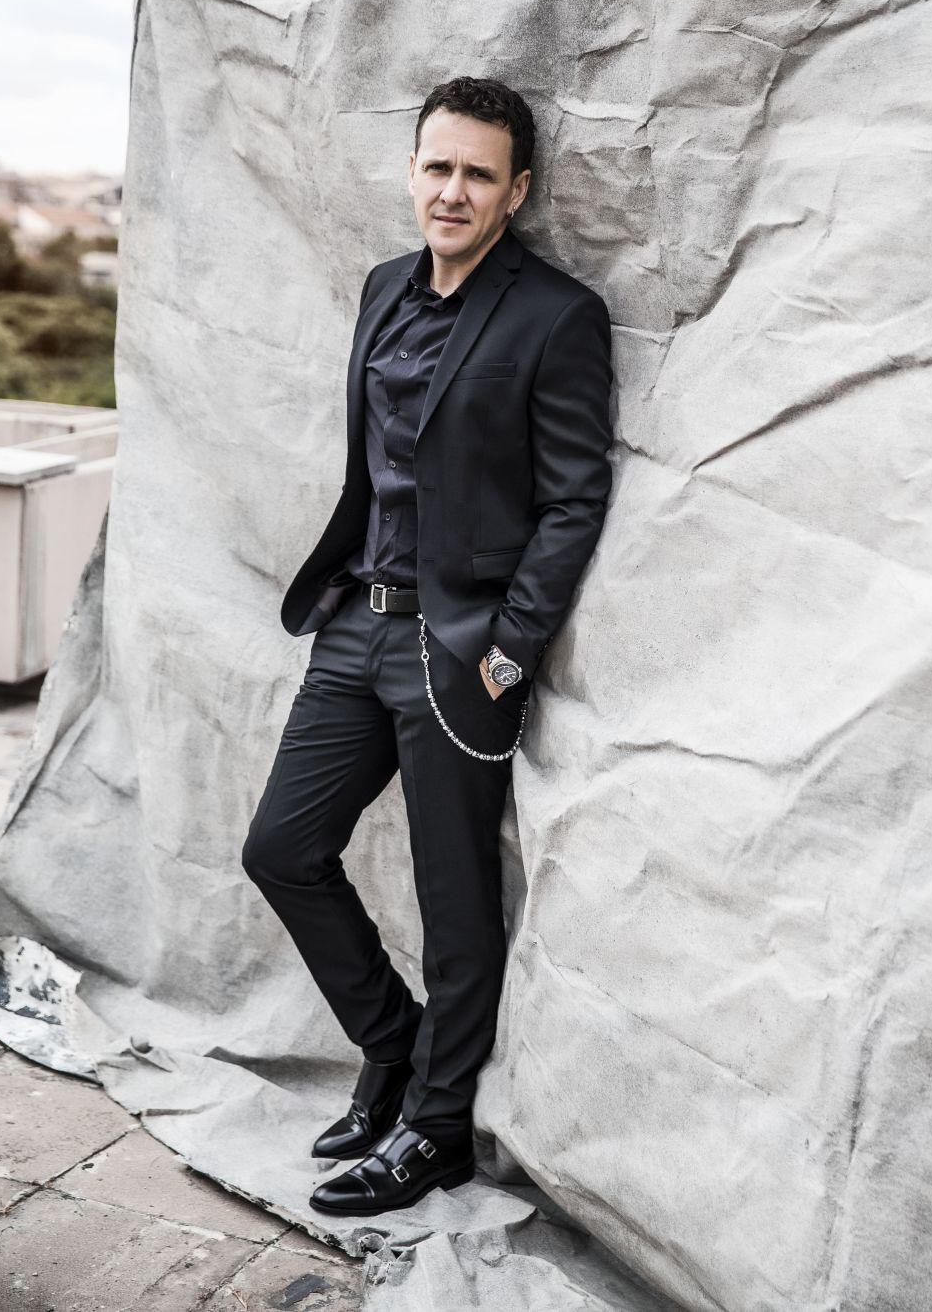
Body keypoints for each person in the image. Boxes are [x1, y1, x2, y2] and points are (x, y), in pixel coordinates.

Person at [241, 75, 614, 1216]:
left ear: (517, 192)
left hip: (457, 650)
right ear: (411, 169)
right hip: (356, 623)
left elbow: (573, 498)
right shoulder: (382, 288)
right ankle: (393, 1047)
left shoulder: (556, 316)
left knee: (455, 902)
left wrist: (508, 648)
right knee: (281, 849)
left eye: (478, 175)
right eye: (437, 166)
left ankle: (437, 1130)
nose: (452, 191)